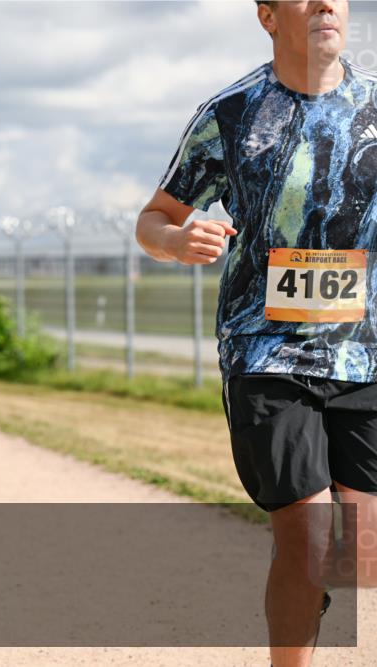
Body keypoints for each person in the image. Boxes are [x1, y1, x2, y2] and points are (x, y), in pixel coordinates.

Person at [136, 2, 375, 665]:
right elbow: (154, 217)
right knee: (306, 532)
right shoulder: (234, 114)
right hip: (267, 352)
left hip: (367, 357)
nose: (327, 3)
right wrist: (177, 238)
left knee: (359, 554)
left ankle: (310, 587)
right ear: (268, 17)